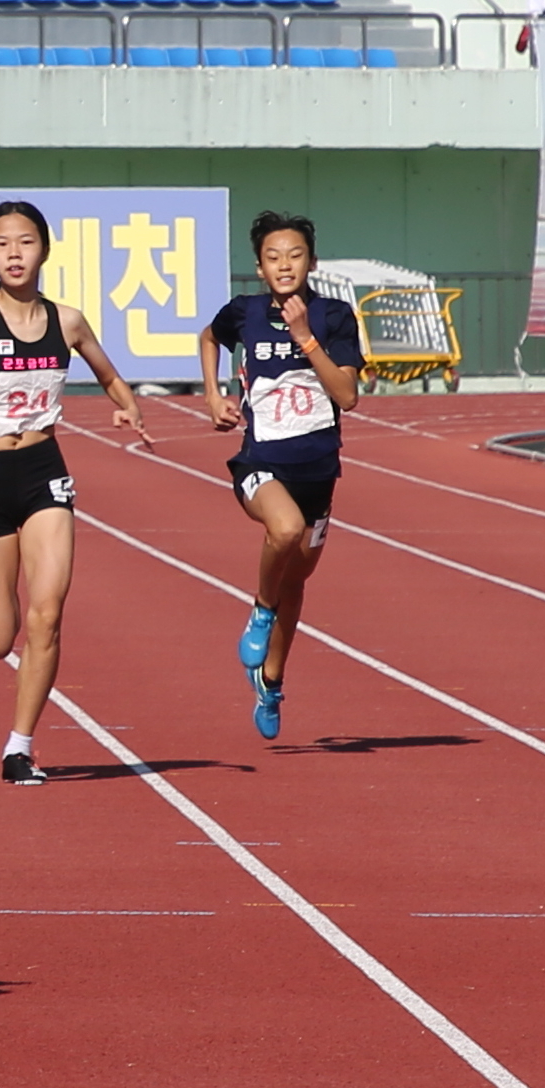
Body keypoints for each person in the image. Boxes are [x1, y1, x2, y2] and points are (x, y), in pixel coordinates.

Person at [0, 200, 155, 786]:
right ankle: (0, 598)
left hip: (46, 473)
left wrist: (128, 405)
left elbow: (108, 373)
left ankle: (20, 746)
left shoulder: (66, 322)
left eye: (24, 242)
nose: (14, 253)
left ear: (43, 249)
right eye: (1, 244)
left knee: (47, 615)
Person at [198, 211, 363, 743]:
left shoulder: (334, 316)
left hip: (318, 469)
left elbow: (348, 396)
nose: (284, 264)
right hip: (260, 462)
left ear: (311, 262)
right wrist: (212, 393)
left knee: (298, 578)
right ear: (259, 267)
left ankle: (271, 681)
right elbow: (209, 337)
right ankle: (260, 611)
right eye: (273, 257)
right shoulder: (243, 313)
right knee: (284, 529)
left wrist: (303, 336)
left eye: (294, 255)